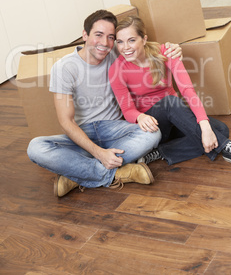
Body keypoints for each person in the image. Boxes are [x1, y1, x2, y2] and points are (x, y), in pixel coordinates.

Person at [27, 10, 181, 197]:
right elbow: (66, 122)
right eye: (98, 35)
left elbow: (145, 46)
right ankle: (119, 173)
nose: (105, 43)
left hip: (116, 129)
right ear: (84, 35)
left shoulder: (117, 52)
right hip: (83, 133)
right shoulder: (64, 68)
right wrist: (99, 153)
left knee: (153, 133)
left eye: (110, 37)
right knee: (35, 147)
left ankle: (76, 175)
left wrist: (172, 48)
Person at [109, 16, 231, 170]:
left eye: (131, 40)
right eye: (120, 42)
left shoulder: (165, 52)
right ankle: (228, 149)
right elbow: (127, 110)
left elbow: (187, 89)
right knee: (171, 103)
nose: (125, 47)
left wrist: (205, 125)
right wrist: (139, 116)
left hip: (176, 114)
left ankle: (160, 152)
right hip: (151, 125)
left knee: (220, 130)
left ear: (143, 39)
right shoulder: (116, 69)